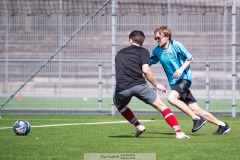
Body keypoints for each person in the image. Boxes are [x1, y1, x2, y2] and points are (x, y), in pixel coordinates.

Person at [150, 26, 230, 135]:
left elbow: (190, 58)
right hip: (174, 83)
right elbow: (148, 63)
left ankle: (196, 119)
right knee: (196, 109)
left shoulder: (176, 45)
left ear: (167, 37)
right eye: (155, 38)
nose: (157, 40)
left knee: (171, 98)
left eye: (159, 38)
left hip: (184, 79)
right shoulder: (157, 50)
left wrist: (181, 69)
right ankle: (222, 125)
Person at [113, 30, 189, 139]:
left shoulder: (119, 53)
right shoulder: (143, 52)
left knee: (119, 104)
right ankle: (178, 132)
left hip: (122, 88)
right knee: (162, 107)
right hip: (140, 85)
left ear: (130, 40)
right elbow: (146, 70)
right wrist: (156, 84)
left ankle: (138, 126)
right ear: (142, 42)